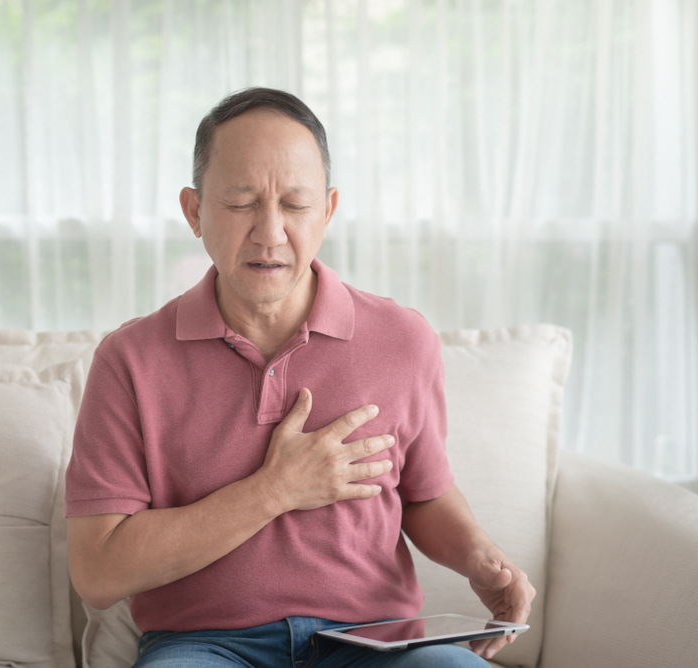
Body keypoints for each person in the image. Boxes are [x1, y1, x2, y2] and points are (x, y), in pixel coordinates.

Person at [64, 87, 534, 668]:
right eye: (240, 202)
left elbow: (424, 495)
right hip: (204, 647)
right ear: (194, 211)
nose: (270, 231)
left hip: (376, 642)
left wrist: (481, 558)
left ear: (329, 210)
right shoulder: (129, 360)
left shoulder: (403, 339)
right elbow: (98, 571)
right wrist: (275, 490)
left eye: (295, 204)